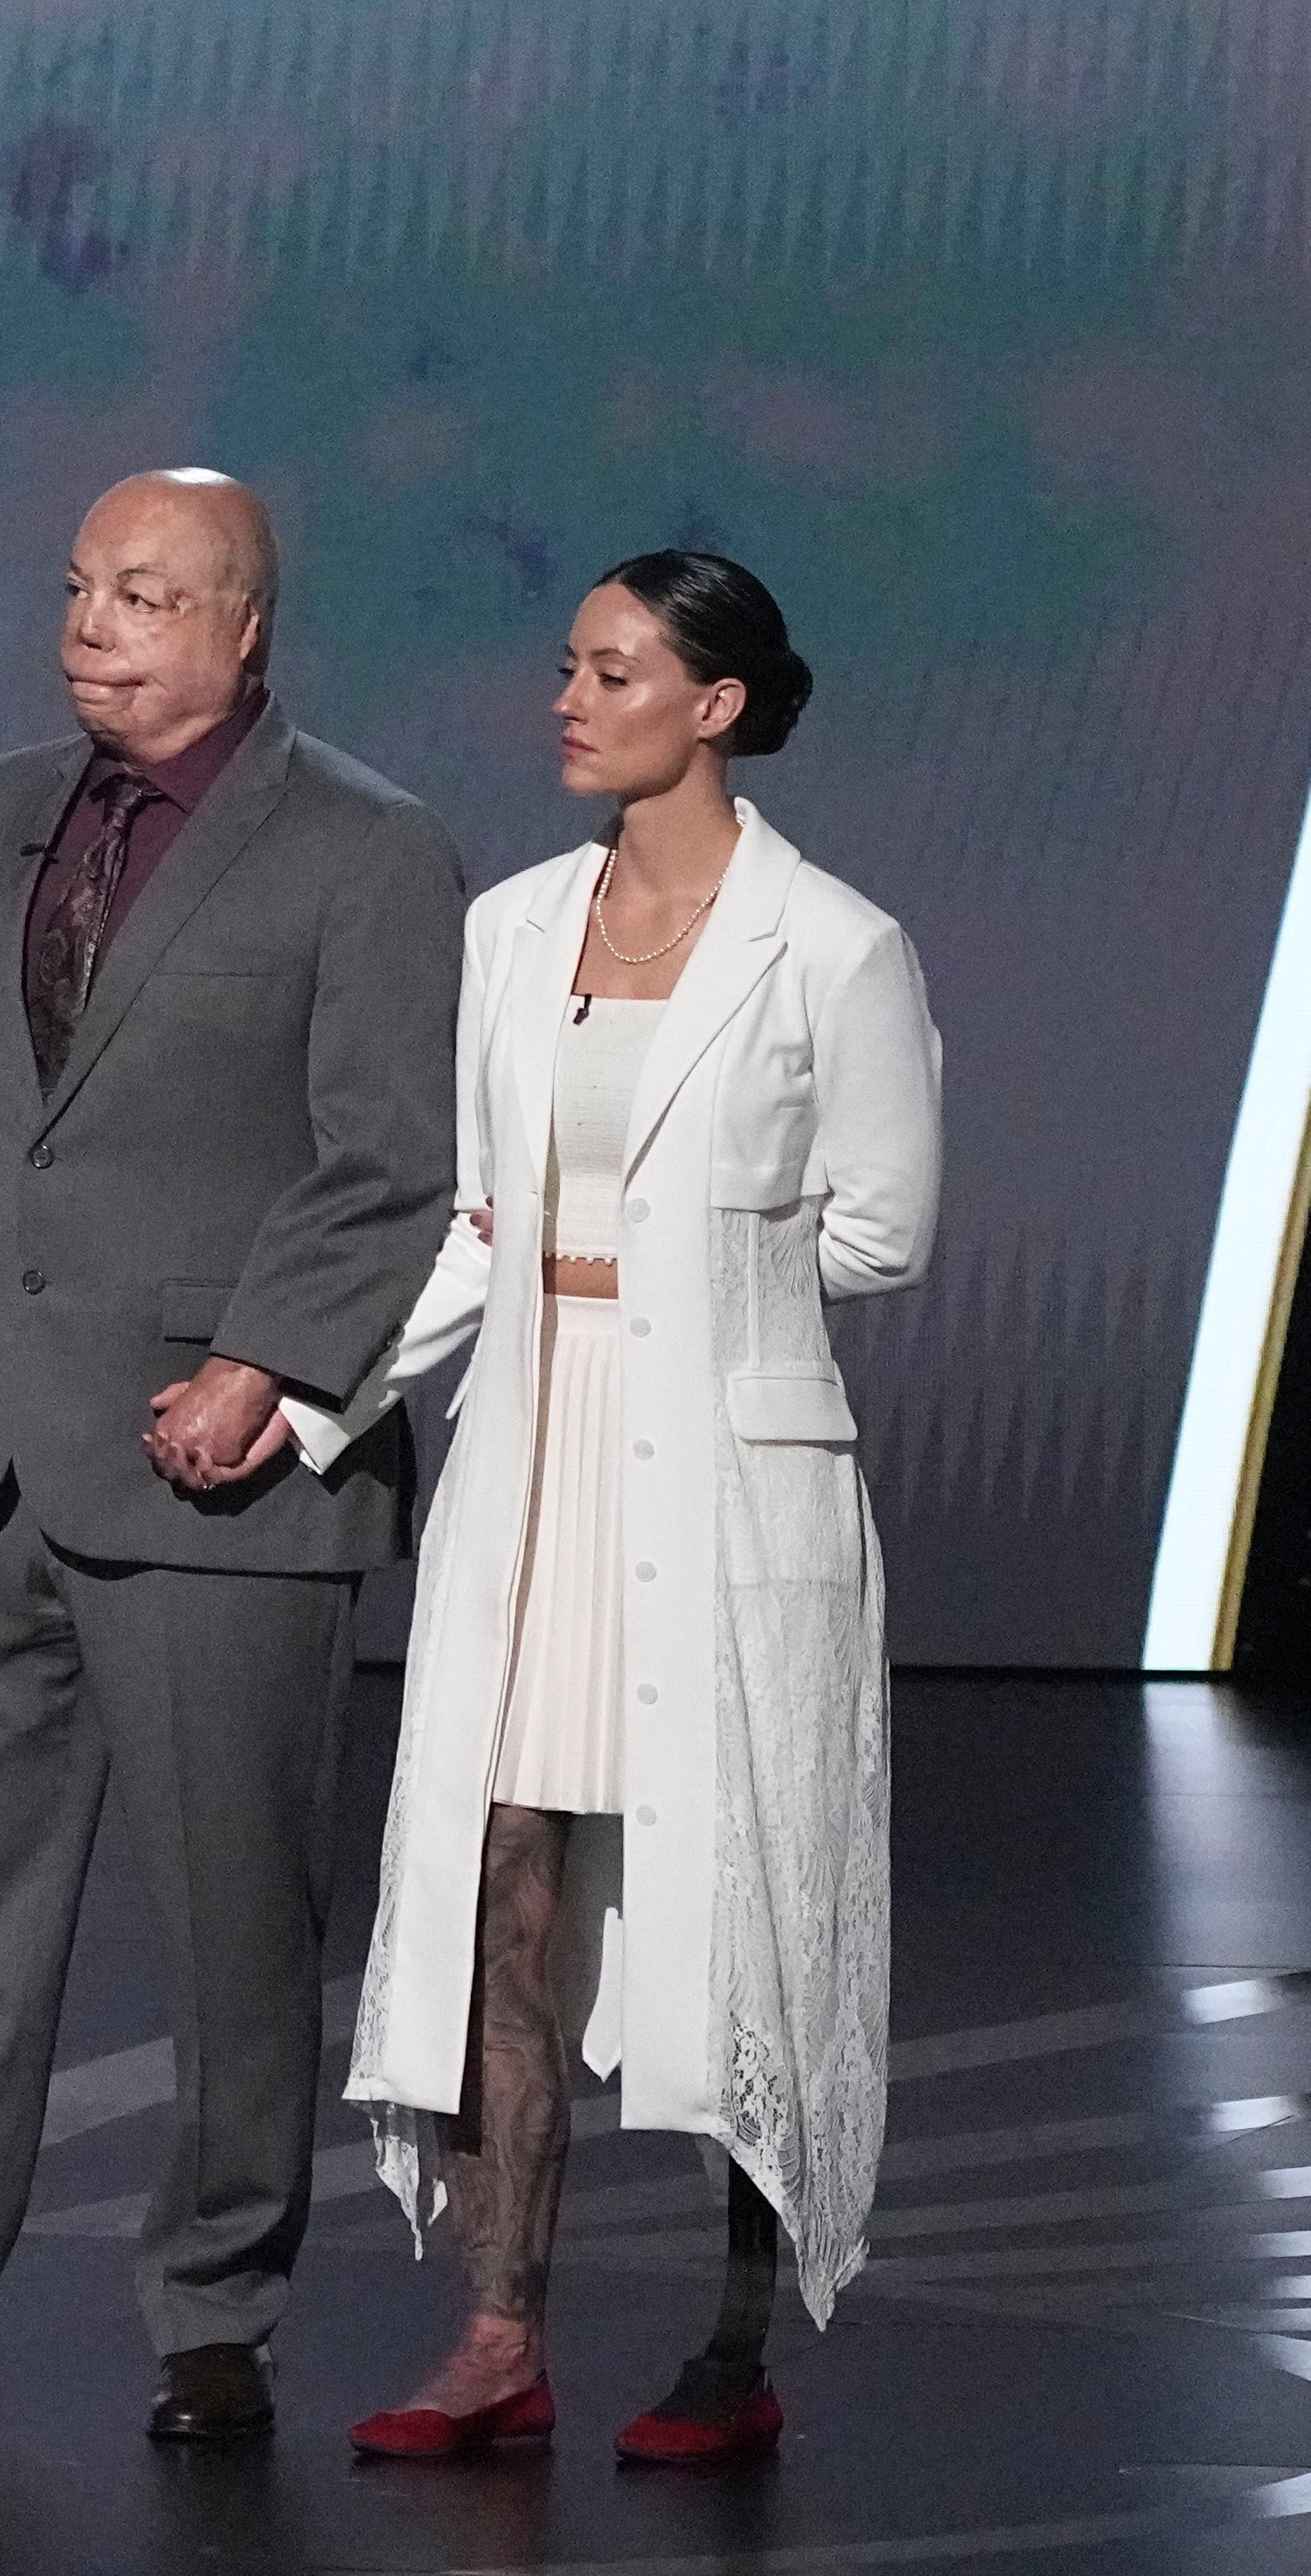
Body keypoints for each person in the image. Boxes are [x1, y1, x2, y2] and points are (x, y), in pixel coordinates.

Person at [0, 470, 463, 2445]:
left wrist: (271, 1365)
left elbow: (389, 1158)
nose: (90, 625)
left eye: (142, 594)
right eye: (75, 587)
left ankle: (216, 2318)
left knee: (235, 1932)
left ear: (242, 628)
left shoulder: (366, 849)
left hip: (220, 1474)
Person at [306, 552, 939, 2466]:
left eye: (614, 669)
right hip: (539, 1462)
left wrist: (685, 1290)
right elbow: (481, 1221)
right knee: (506, 1886)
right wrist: (314, 1395)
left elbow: (882, 1233)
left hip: (726, 1480)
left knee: (737, 1908)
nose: (570, 700)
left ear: (718, 703)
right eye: (569, 667)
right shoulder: (512, 928)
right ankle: (500, 2330)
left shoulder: (832, 945)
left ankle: (734, 2349)